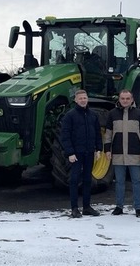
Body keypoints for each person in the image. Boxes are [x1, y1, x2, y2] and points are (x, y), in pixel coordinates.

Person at [104, 89, 140, 218]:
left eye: (127, 98)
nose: (125, 101)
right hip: (118, 154)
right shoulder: (112, 114)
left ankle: (138, 208)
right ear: (119, 99)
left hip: (135, 153)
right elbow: (108, 134)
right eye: (123, 98)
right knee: (119, 182)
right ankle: (119, 207)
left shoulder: (139, 114)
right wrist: (107, 150)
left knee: (136, 181)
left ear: (132, 99)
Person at [59, 89, 103, 218]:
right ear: (76, 100)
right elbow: (65, 136)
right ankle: (74, 208)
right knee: (74, 180)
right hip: (76, 154)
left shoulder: (93, 115)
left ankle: (87, 207)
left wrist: (98, 149)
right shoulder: (70, 116)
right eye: (80, 98)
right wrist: (70, 153)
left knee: (88, 180)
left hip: (89, 152)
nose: (83, 100)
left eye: (85, 98)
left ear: (87, 99)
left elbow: (97, 134)